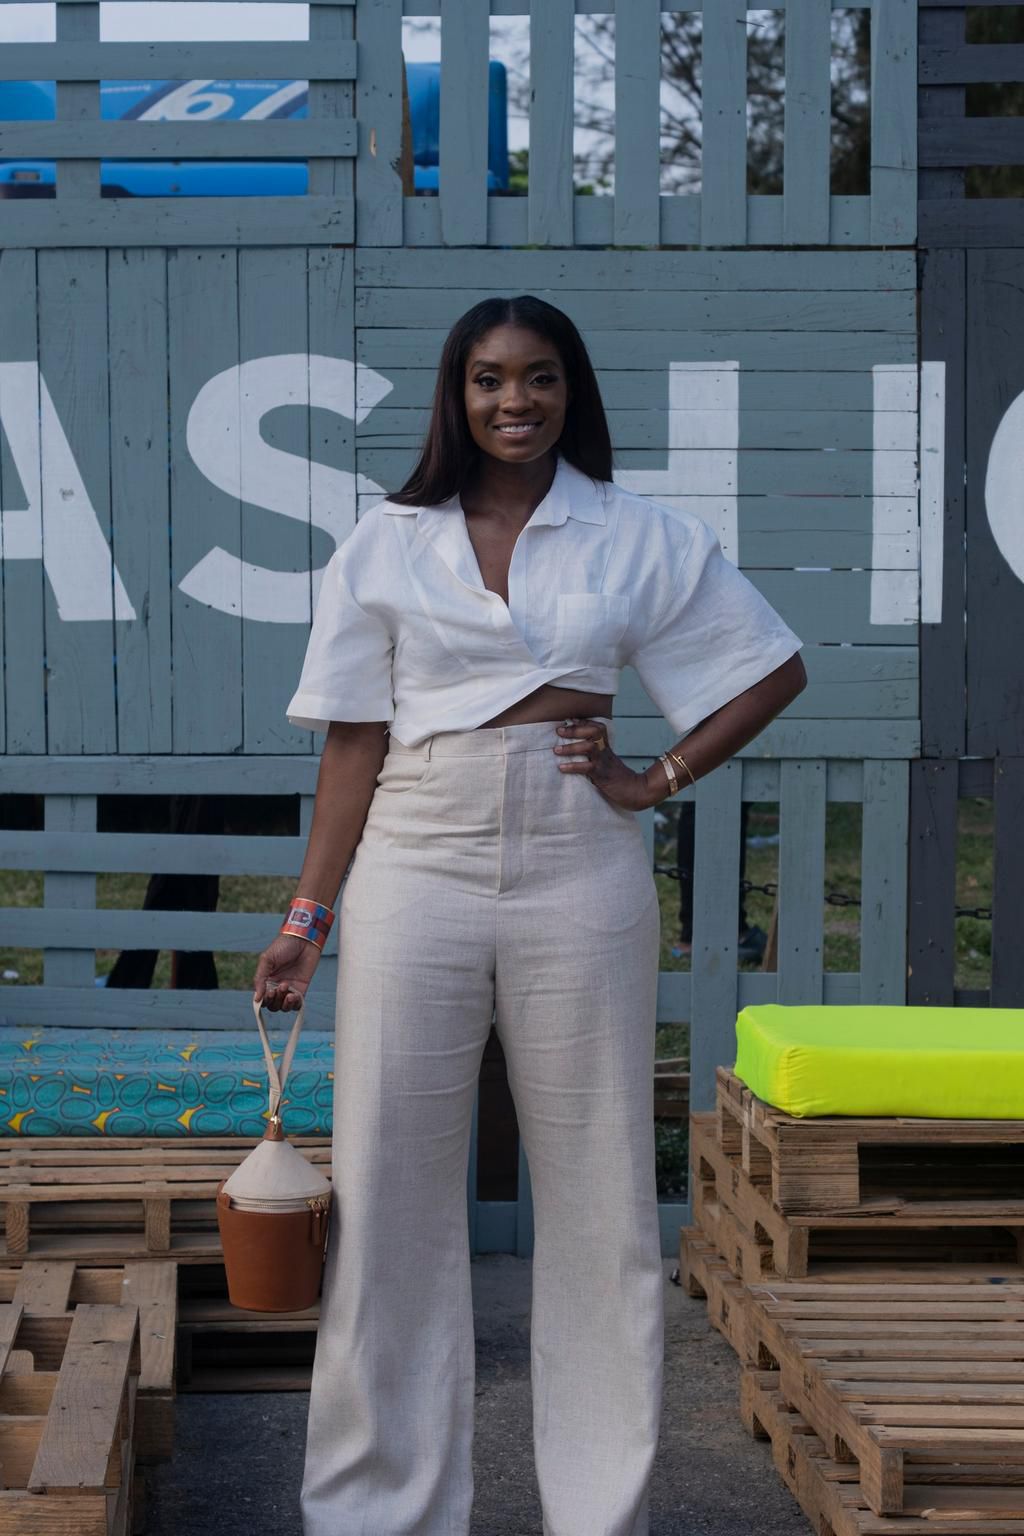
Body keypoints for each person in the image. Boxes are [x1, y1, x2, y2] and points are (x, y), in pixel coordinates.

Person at [251, 296, 806, 1536]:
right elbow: (352, 741)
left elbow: (768, 664)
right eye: (491, 380)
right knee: (390, 1187)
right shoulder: (387, 540)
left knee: (603, 1199)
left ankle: (599, 1513)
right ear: (455, 396)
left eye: (541, 378)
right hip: (416, 850)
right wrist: (307, 917)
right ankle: (375, 1511)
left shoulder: (631, 531)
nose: (516, 402)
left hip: (578, 859)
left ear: (572, 391)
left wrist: (653, 778)